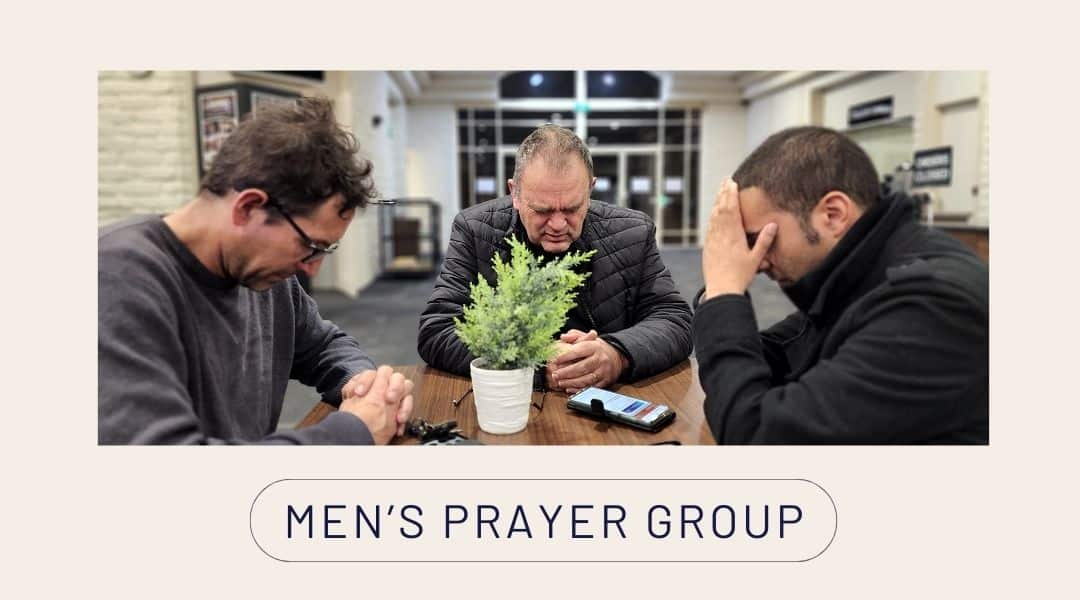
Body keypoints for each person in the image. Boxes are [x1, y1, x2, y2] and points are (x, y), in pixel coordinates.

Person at [99, 96, 413, 444]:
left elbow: (323, 344)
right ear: (248, 208)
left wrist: (364, 385)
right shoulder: (115, 278)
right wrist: (354, 431)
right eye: (310, 246)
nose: (312, 267)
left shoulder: (263, 274)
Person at [695, 126, 988, 444]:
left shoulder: (932, 306)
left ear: (833, 215)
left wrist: (724, 289)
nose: (758, 260)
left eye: (761, 239)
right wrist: (721, 299)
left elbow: (758, 437)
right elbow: (778, 354)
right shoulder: (863, 272)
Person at [418, 124, 693, 392]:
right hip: (514, 405)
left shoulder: (633, 232)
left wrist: (616, 354)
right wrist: (531, 362)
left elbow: (674, 320)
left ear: (591, 189)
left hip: (606, 407)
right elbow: (437, 329)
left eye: (572, 208)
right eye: (542, 210)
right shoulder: (476, 230)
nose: (559, 224)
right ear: (515, 193)